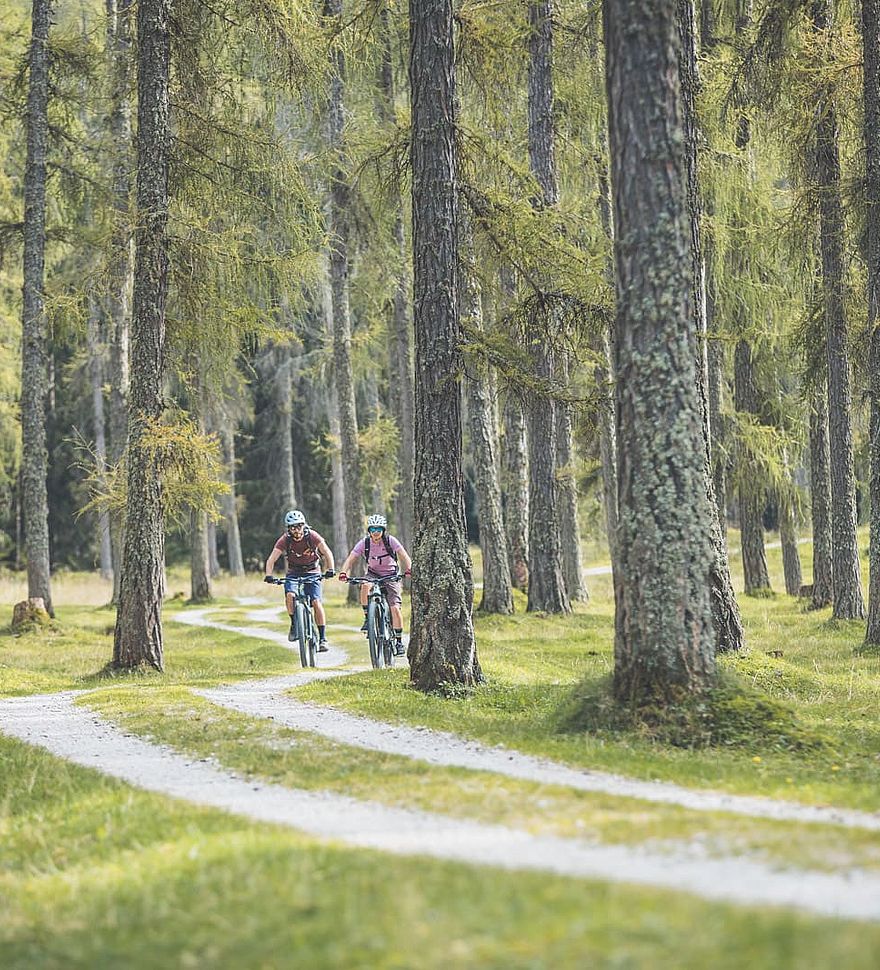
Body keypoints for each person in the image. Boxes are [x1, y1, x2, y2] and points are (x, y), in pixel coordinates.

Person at [338, 513, 412, 656]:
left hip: (391, 575)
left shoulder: (391, 541)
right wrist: (343, 572)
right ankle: (368, 617)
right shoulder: (364, 543)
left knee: (395, 608)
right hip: (373, 573)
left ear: (383, 530)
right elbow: (351, 558)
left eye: (379, 529)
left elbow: (404, 555)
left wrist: (409, 569)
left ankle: (398, 642)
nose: (376, 533)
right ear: (369, 531)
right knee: (365, 585)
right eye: (373, 530)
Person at [264, 509, 335, 651]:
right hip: (294, 572)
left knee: (316, 602)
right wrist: (269, 575)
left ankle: (322, 638)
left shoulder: (312, 536)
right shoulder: (285, 540)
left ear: (304, 525)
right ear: (288, 529)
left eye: (299, 526)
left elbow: (326, 552)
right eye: (292, 527)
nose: (296, 530)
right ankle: (294, 624)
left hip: (312, 571)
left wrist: (330, 569)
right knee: (290, 595)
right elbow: (272, 558)